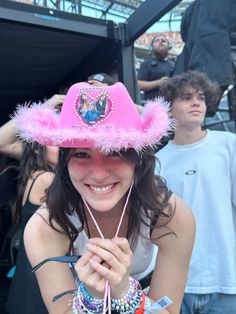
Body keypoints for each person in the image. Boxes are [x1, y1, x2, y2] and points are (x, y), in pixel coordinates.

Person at [15, 81, 195, 314]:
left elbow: (168, 310)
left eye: (115, 151)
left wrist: (125, 293)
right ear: (64, 162)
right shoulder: (44, 227)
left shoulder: (171, 215)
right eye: (81, 153)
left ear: (138, 159)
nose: (99, 174)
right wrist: (92, 299)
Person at [156, 71, 236, 314]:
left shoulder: (229, 144)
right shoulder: (157, 161)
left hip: (225, 279)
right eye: (186, 97)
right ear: (169, 109)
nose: (196, 103)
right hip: (173, 282)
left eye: (201, 97)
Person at [0, 94, 64, 314]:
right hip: (39, 284)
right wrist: (43, 107)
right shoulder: (47, 179)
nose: (64, 145)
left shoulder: (39, 174)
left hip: (32, 279)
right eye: (55, 141)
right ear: (38, 148)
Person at [137, 34, 175, 101]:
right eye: (156, 41)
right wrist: (157, 83)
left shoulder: (174, 65)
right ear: (152, 47)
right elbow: (138, 84)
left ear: (168, 46)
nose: (160, 42)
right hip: (154, 105)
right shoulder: (147, 63)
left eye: (163, 40)